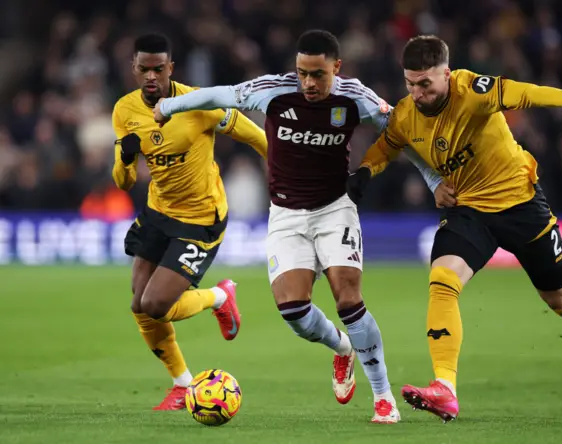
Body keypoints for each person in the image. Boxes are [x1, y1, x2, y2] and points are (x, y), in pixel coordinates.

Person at [154, 30, 443, 423]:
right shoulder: (273, 90)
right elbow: (220, 94)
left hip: (334, 209)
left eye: (318, 75)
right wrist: (171, 105)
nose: (308, 83)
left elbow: (403, 135)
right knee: (294, 311)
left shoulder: (356, 97)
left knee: (348, 299)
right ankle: (342, 349)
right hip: (286, 216)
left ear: (336, 69)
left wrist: (434, 181)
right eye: (302, 73)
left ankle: (383, 396)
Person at [347, 34, 562, 422]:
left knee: (561, 299)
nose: (417, 93)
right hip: (469, 210)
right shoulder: (406, 114)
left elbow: (521, 93)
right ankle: (445, 388)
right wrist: (366, 172)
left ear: (447, 75)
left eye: (426, 84)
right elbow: (388, 144)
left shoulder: (471, 90)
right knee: (442, 279)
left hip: (521, 204)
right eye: (410, 83)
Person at [112, 33, 269, 411]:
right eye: (144, 69)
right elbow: (124, 182)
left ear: (171, 69)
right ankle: (182, 384)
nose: (151, 77)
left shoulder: (199, 103)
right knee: (138, 304)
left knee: (155, 304)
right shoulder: (125, 110)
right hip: (157, 212)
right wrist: (125, 158)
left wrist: (283, 165)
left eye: (158, 69)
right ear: (133, 69)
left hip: (200, 219)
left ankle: (220, 296)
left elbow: (253, 134)